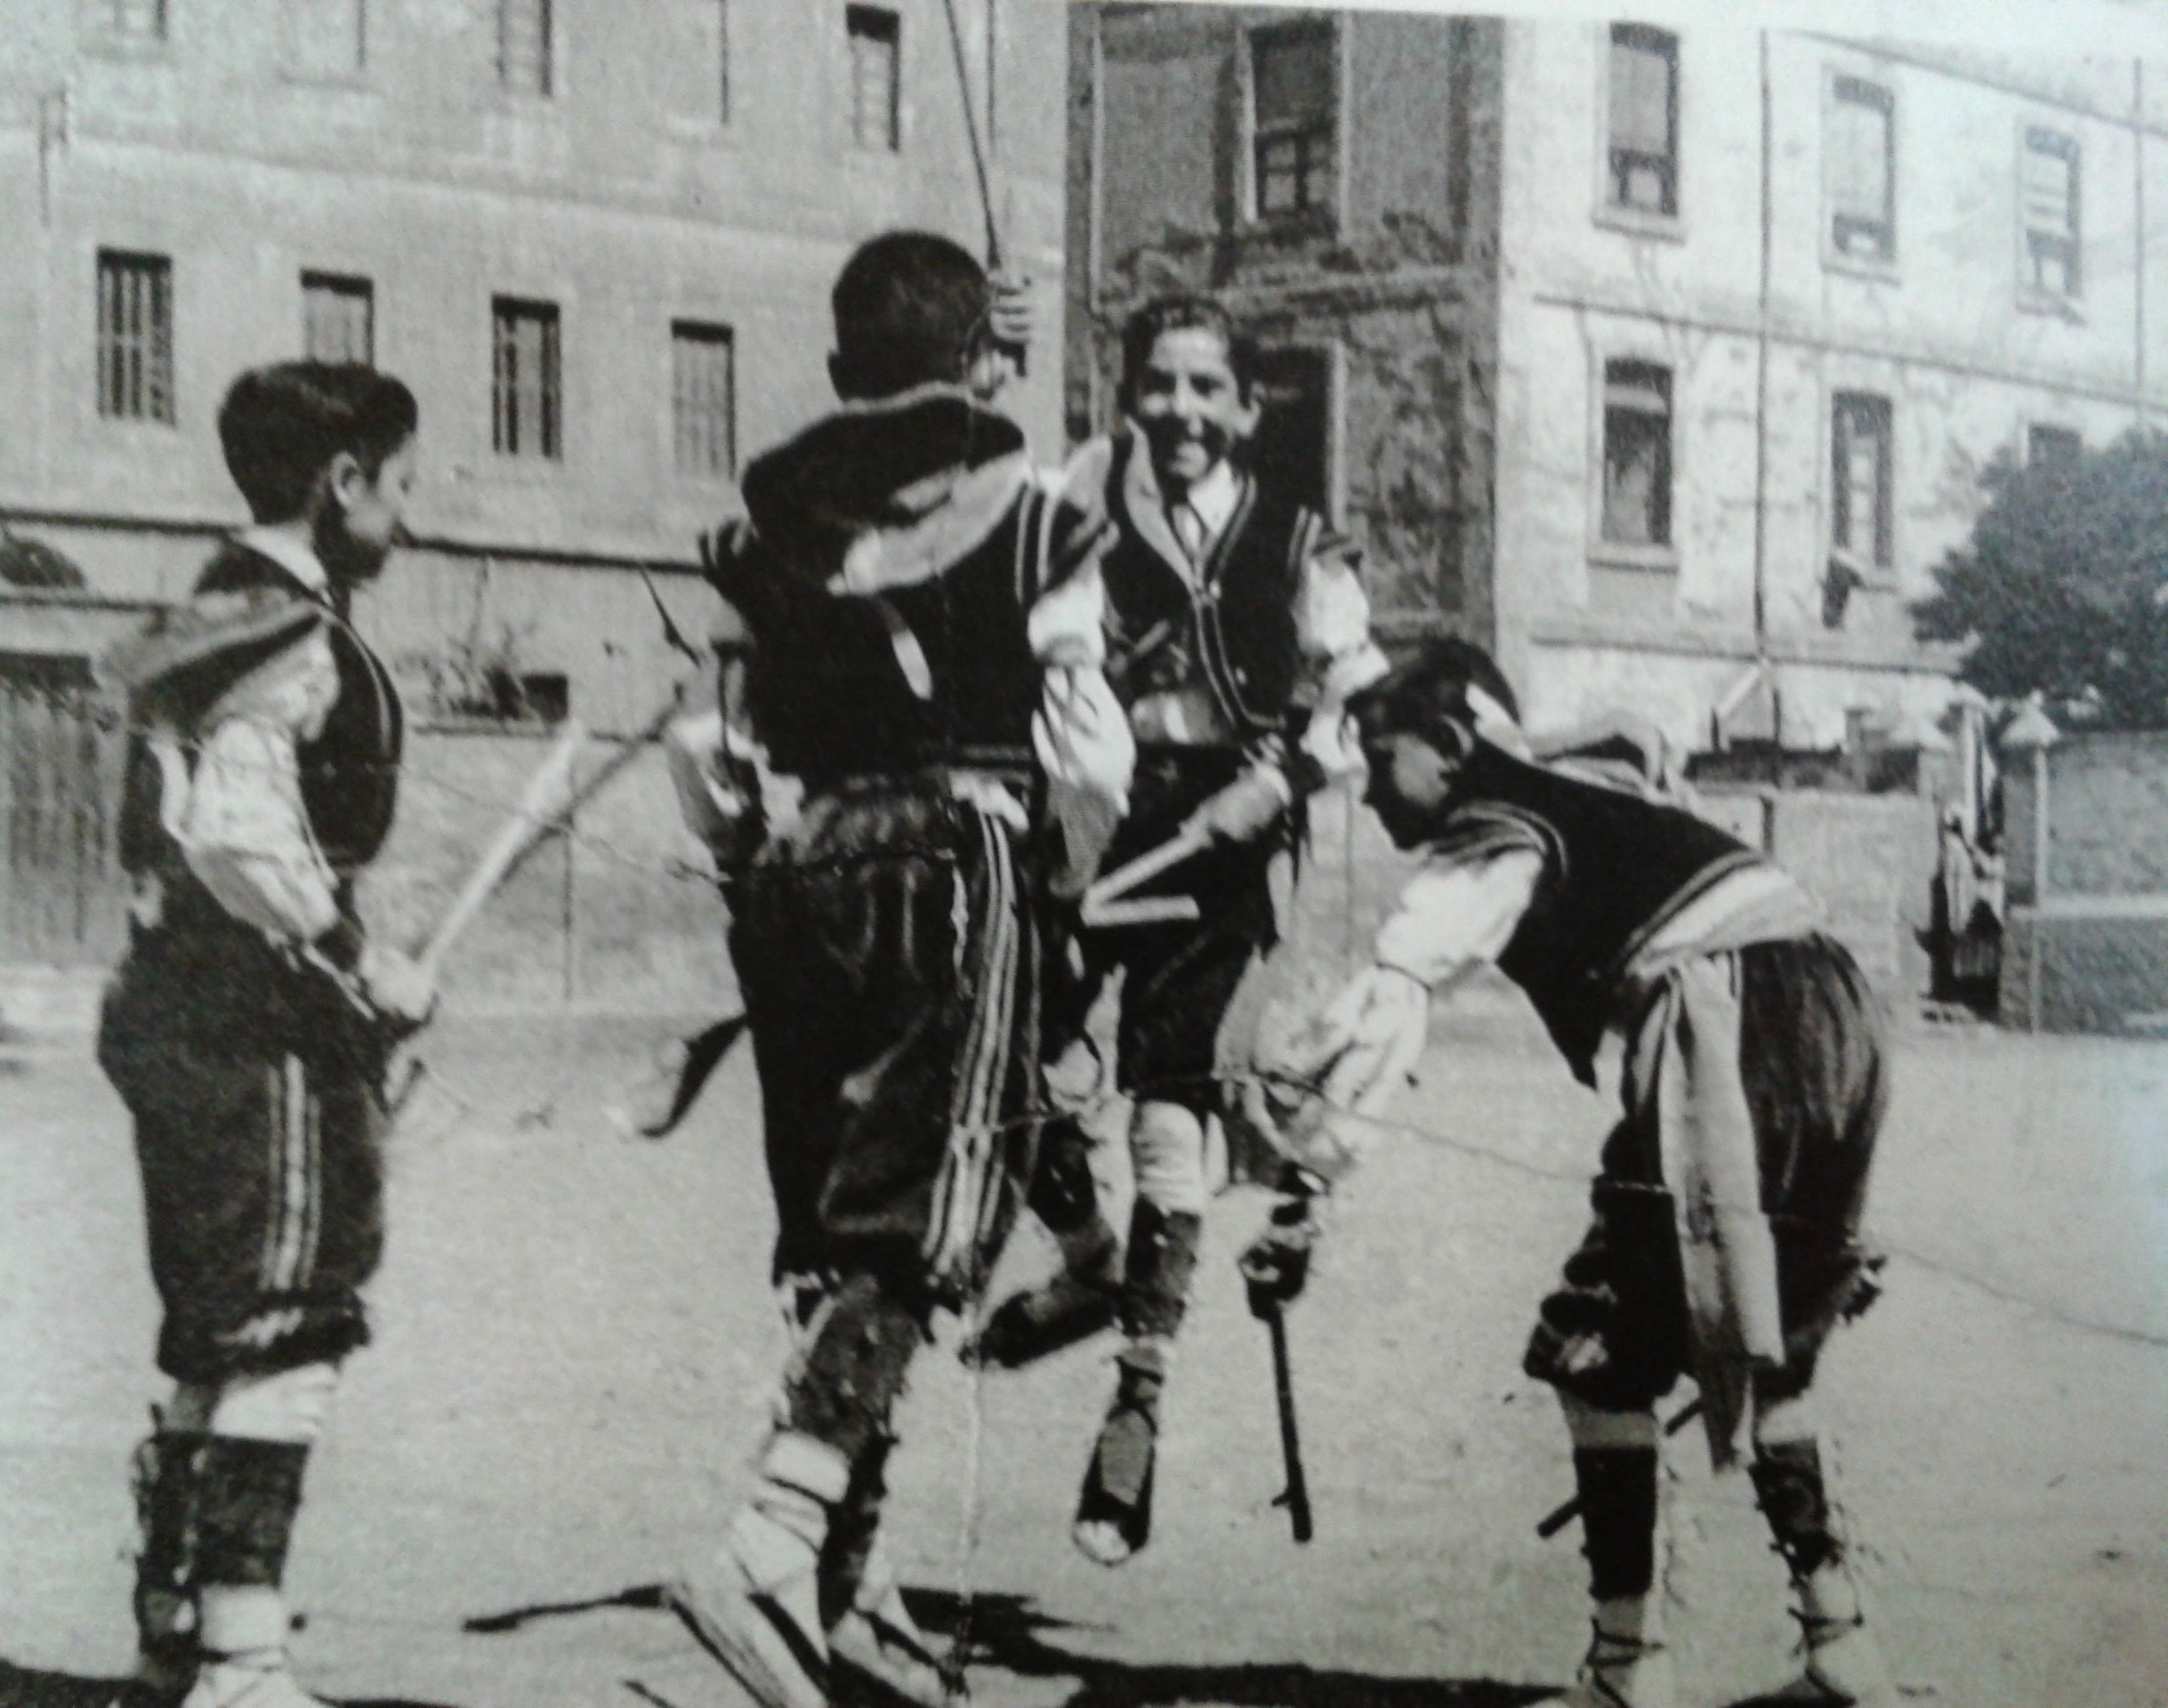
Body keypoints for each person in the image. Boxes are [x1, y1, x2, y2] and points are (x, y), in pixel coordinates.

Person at [1237, 639, 1894, 1708]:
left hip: (1730, 1031)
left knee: (1594, 1355)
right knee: (1780, 1338)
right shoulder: (1572, 778)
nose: (1371, 792)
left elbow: (1394, 999)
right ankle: (1840, 1641)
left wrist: (1302, 1193)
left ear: (1450, 747)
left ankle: (1628, 1671)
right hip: (1835, 1010)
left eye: (1380, 754)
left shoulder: (1488, 831)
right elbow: (1632, 739)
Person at [664, 230, 1131, 1708]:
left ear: (838, 372)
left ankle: (832, 1582)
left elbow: (706, 752)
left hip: (799, 871)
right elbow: (1089, 746)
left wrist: (771, 850)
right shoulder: (1036, 512)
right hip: (957, 862)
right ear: (977, 366)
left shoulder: (762, 538)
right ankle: (775, 1539)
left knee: (828, 1213)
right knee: (927, 1218)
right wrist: (1060, 879)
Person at [966, 293, 1385, 1570]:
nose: (1182, 412)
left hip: (1226, 861)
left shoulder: (1301, 541)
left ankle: (1135, 1405)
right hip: (1093, 832)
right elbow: (997, 520)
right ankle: (1093, 1265)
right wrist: (995, 372)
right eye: (1159, 384)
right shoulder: (1084, 502)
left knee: (1165, 1107)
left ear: (1248, 410)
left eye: (1208, 389)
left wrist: (1286, 778)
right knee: (1013, 1069)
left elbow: (1348, 706)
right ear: (1125, 392)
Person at [97, 363, 434, 1708]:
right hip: (262, 1021)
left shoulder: (217, 603)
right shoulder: (287, 628)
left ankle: (175, 1632)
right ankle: (240, 1660)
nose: (412, 514)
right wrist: (362, 961)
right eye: (403, 485)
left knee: (214, 1319)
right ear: (341, 483)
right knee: (285, 1321)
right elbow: (240, 833)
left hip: (183, 1003)